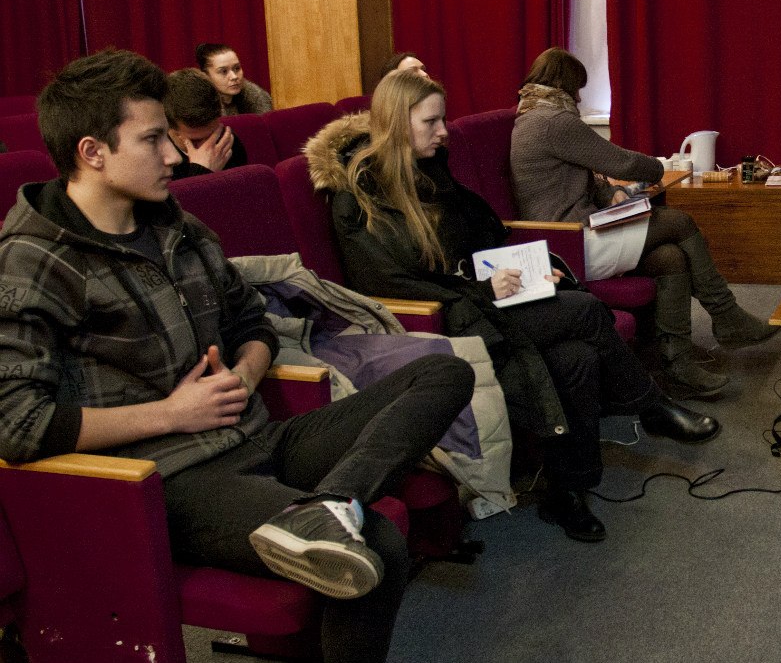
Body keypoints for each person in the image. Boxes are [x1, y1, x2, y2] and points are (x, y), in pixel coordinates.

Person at [0, 49, 475, 663]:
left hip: (253, 432)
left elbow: (252, 321)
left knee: (443, 371)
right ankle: (327, 518)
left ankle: (325, 506)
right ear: (93, 152)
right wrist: (173, 414)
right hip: (165, 480)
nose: (174, 156)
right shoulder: (31, 262)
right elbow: (19, 425)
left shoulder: (177, 226)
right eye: (152, 140)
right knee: (373, 544)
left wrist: (246, 375)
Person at [305, 68, 721, 543]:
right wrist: (484, 288)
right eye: (430, 122)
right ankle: (648, 404)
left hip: (478, 299)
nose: (443, 132)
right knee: (584, 312)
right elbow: (393, 286)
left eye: (443, 120)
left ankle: (567, 493)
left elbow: (477, 239)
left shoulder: (429, 171)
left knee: (577, 358)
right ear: (398, 123)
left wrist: (527, 269)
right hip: (439, 323)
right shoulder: (357, 199)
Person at [508, 47, 779, 400]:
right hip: (567, 243)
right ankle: (726, 314)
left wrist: (611, 195)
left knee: (670, 257)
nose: (579, 98)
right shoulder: (553, 121)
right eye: (577, 89)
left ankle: (677, 364)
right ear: (564, 84)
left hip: (572, 232)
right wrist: (657, 168)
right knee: (680, 222)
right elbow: (619, 162)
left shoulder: (535, 116)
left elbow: (585, 176)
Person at [165, 67, 247, 179]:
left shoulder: (227, 142)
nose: (208, 147)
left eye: (212, 136)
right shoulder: (155, 157)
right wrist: (201, 171)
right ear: (168, 127)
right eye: (195, 141)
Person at [196, 42, 273, 114]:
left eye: (237, 68)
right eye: (224, 71)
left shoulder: (256, 99)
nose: (234, 76)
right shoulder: (200, 108)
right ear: (206, 76)